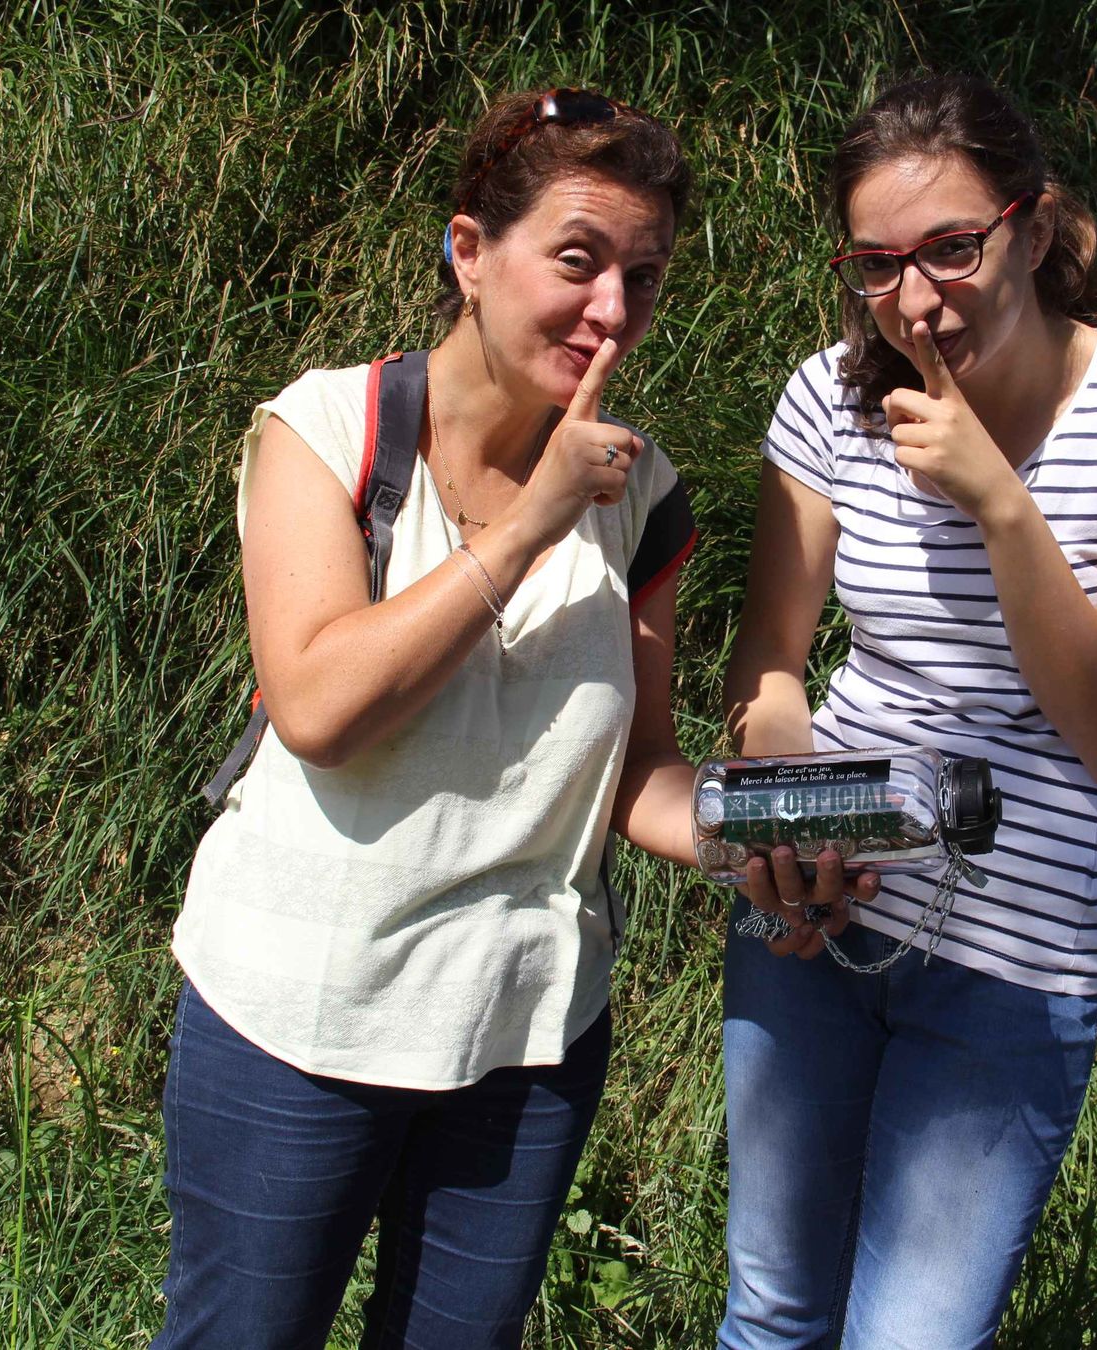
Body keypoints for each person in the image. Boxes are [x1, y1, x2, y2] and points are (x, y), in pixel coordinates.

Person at [154, 87, 711, 1350]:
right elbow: (317, 708)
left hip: (528, 1028)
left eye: (642, 276)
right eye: (577, 260)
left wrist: (760, 839)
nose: (611, 309)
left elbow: (638, 773)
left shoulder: (642, 497)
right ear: (469, 251)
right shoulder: (329, 430)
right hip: (298, 1018)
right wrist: (529, 523)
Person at [718, 74, 1097, 1348]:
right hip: (823, 904)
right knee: (772, 1309)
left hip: (1017, 959)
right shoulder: (828, 396)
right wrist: (783, 802)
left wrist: (1001, 503)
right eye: (876, 264)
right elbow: (770, 654)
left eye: (951, 247)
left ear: (1034, 225)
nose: (914, 300)